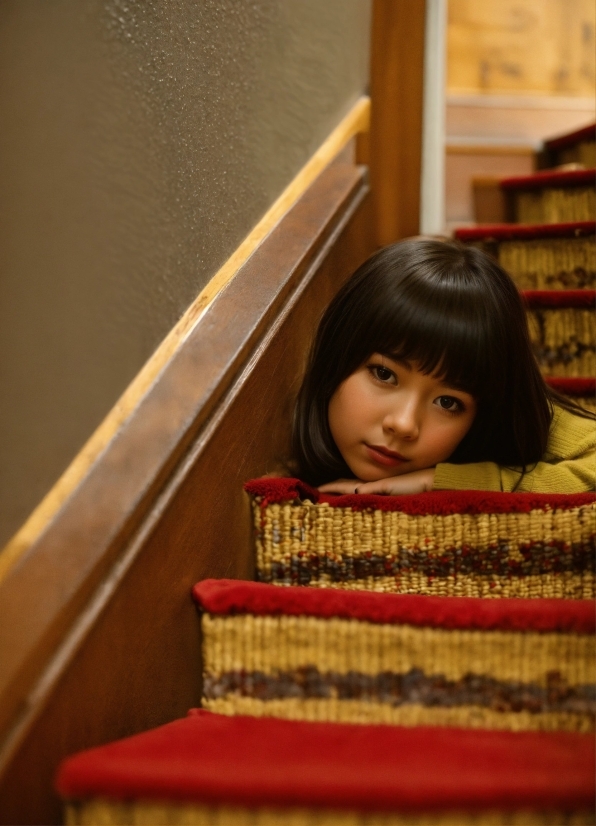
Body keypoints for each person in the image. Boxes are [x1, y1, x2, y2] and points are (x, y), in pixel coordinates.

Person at [292, 238, 595, 495]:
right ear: (337, 352)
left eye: (447, 402)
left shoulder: (507, 416)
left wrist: (440, 481)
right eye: (384, 374)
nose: (404, 424)